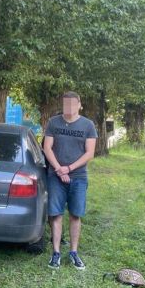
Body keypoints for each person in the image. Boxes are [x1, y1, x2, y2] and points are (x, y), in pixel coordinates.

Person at [43, 92, 97, 270]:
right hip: (56, 176)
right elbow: (47, 148)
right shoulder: (53, 122)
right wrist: (59, 169)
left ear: (79, 104)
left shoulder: (88, 125)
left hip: (78, 176)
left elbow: (89, 153)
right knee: (56, 214)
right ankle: (56, 253)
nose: (69, 107)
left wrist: (69, 168)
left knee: (75, 214)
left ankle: (73, 252)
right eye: (66, 104)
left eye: (73, 104)